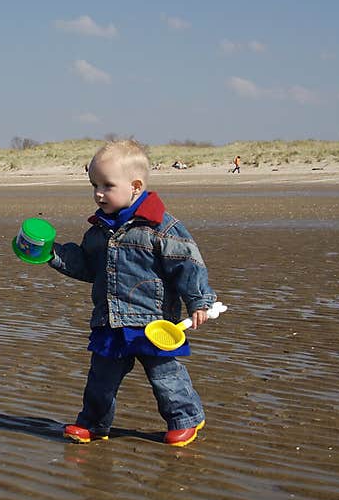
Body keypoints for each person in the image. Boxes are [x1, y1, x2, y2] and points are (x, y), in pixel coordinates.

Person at [47, 139, 218, 447]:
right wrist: (51, 253)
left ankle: (185, 419)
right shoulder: (98, 231)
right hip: (110, 320)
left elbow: (188, 264)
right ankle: (93, 424)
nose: (99, 194)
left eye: (107, 186)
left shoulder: (162, 228)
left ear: (135, 185)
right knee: (100, 380)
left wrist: (199, 301)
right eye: (94, 185)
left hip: (154, 323)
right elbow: (87, 266)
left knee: (166, 377)